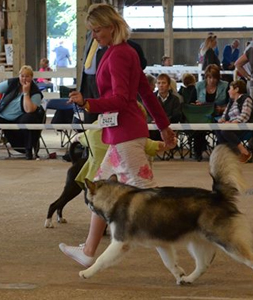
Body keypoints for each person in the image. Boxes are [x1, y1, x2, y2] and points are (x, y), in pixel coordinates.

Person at [59, 3, 175, 268]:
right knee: (99, 192)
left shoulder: (119, 54)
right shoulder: (121, 52)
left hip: (125, 136)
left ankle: (184, 235)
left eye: (97, 30)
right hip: (120, 136)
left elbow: (122, 99)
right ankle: (89, 251)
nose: (94, 35)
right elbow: (146, 93)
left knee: (149, 199)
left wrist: (89, 103)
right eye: (92, 31)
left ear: (111, 26)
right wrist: (164, 126)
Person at [0, 65, 44, 160]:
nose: (24, 78)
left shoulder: (35, 92)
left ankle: (28, 150)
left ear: (32, 77)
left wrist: (26, 93)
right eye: (22, 76)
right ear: (19, 76)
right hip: (3, 115)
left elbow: (29, 110)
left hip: (20, 117)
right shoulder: (12, 82)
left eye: (27, 76)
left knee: (29, 118)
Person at [190, 64, 229, 161]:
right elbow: (190, 102)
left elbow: (230, 104)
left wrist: (222, 109)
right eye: (210, 77)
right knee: (198, 127)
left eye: (215, 78)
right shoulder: (198, 86)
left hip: (219, 115)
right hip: (202, 115)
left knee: (220, 128)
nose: (212, 80)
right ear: (206, 76)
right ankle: (197, 152)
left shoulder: (225, 86)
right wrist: (196, 105)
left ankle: (219, 153)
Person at [216, 80, 253, 163]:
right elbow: (225, 115)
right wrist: (222, 120)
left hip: (244, 125)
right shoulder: (231, 101)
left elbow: (244, 116)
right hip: (231, 125)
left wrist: (231, 123)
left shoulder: (246, 99)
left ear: (236, 89)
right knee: (217, 128)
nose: (228, 91)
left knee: (225, 131)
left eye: (230, 89)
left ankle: (245, 152)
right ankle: (226, 153)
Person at [149, 73, 182, 141]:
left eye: (163, 83)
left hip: (169, 127)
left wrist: (163, 121)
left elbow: (177, 115)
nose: (161, 85)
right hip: (154, 128)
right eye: (159, 83)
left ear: (169, 85)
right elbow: (148, 113)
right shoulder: (151, 98)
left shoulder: (175, 99)